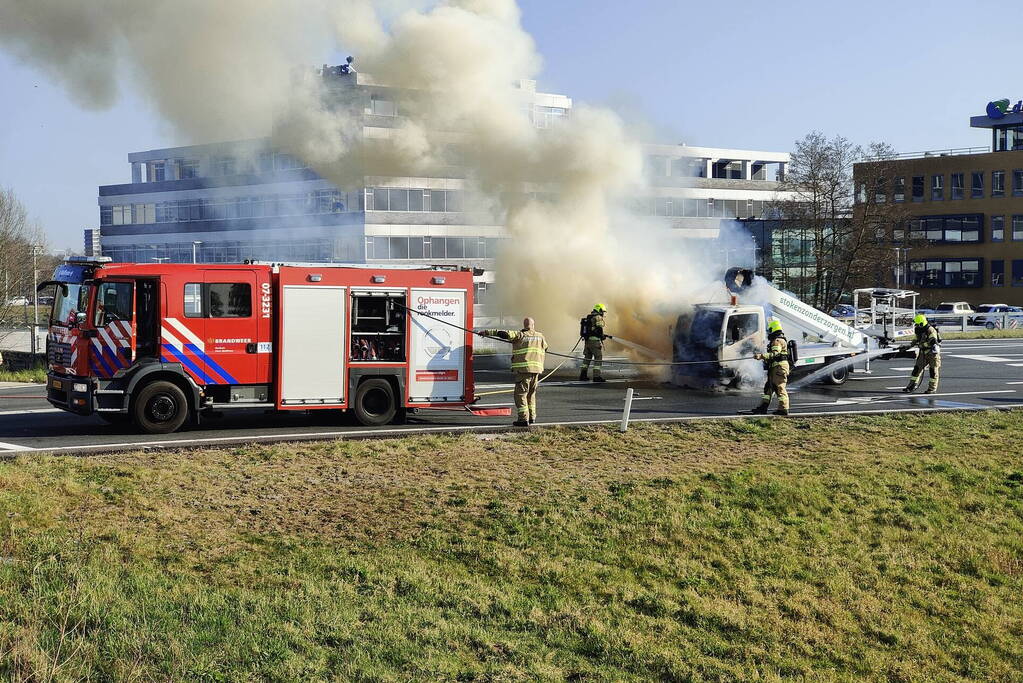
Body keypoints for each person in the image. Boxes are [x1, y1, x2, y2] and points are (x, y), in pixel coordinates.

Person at [480, 317, 548, 427]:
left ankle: (523, 419)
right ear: (533, 325)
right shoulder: (540, 336)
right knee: (531, 395)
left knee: (520, 395)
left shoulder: (520, 335)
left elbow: (503, 333)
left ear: (524, 325)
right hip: (536, 371)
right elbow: (545, 348)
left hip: (524, 371)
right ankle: (532, 417)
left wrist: (486, 332)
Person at [751, 319, 790, 416]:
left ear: (773, 330)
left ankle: (783, 409)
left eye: (770, 330)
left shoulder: (777, 341)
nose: (769, 332)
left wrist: (761, 356)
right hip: (775, 368)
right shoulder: (777, 340)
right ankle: (763, 408)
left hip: (779, 368)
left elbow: (775, 354)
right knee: (768, 388)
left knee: (779, 387)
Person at [903, 313, 941, 394]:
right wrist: (908, 346)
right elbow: (916, 339)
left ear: (921, 323)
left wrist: (922, 345)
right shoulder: (918, 329)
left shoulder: (930, 330)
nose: (916, 325)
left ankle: (932, 388)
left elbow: (933, 342)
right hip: (923, 353)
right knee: (916, 370)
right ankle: (911, 386)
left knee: (933, 371)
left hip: (932, 354)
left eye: (917, 324)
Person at [579, 303, 612, 383]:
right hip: (594, 342)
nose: (603, 313)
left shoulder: (589, 317)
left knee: (587, 358)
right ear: (599, 310)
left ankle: (583, 375)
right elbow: (600, 328)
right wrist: (602, 336)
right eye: (602, 311)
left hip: (587, 342)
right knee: (598, 358)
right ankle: (596, 376)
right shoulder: (598, 317)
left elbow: (593, 329)